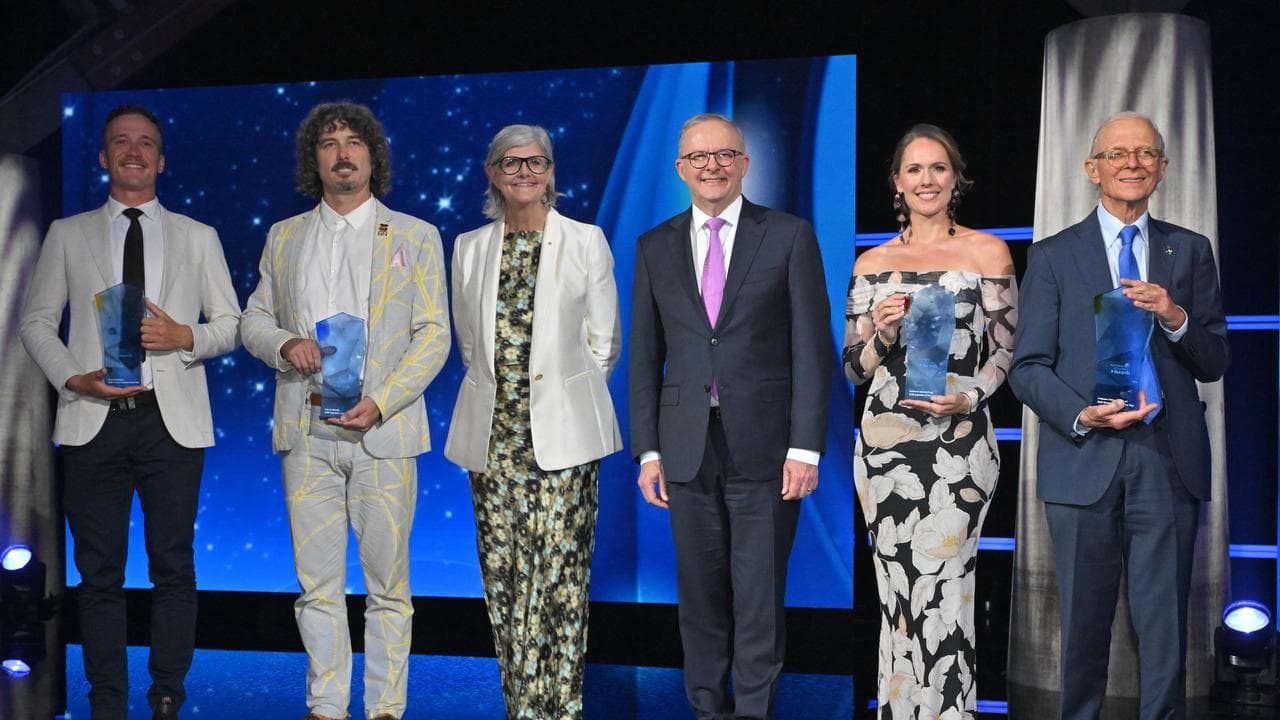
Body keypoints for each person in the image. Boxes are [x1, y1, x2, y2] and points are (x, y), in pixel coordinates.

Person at [20, 103, 241, 720]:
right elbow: (36, 322)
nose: (134, 152)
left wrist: (186, 337)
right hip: (94, 419)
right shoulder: (69, 233)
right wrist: (72, 377)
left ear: (162, 160)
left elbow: (232, 324)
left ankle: (167, 690)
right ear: (103, 157)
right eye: (121, 142)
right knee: (98, 574)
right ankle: (107, 700)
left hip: (172, 421)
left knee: (174, 565)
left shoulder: (199, 237)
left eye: (146, 143)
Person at [1009, 112, 1228, 719]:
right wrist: (1083, 415)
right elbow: (1027, 368)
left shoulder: (1189, 250)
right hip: (1084, 459)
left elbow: (1214, 360)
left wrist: (1174, 315)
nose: (1132, 163)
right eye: (1117, 154)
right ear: (1092, 169)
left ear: (1161, 168)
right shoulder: (1053, 256)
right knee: (1081, 623)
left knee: (1165, 627)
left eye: (1145, 153)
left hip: (1167, 460)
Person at [241, 101, 450, 720]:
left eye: (353, 140)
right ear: (315, 160)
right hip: (306, 430)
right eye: (328, 142)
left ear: (372, 155)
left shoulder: (414, 235)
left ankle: (386, 707)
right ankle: (325, 705)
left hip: (381, 431)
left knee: (389, 587)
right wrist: (284, 343)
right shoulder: (284, 236)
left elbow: (434, 334)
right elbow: (254, 318)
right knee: (317, 586)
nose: (342, 151)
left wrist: (382, 401)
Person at [628, 113, 831, 720]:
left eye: (724, 155)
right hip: (686, 446)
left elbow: (812, 349)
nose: (711, 166)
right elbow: (645, 357)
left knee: (759, 597)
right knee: (699, 598)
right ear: (680, 169)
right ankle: (705, 709)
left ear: (744, 163)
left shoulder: (789, 235)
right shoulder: (654, 245)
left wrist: (806, 448)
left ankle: (752, 712)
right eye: (699, 157)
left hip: (768, 449)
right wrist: (648, 451)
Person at [444, 124, 622, 719]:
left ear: (551, 171)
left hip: (566, 441)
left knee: (560, 586)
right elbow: (471, 346)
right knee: (506, 583)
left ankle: (561, 708)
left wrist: (564, 402)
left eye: (536, 162)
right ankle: (521, 706)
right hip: (494, 442)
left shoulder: (586, 240)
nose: (525, 172)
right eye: (510, 163)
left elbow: (604, 343)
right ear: (492, 173)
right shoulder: (469, 246)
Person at [843, 124, 1016, 718]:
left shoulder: (988, 252)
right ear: (897, 182)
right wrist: (883, 331)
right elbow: (852, 366)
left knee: (945, 589)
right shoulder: (873, 263)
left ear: (956, 178)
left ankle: (947, 711)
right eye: (914, 170)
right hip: (886, 448)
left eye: (938, 168)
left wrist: (970, 398)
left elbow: (1007, 351)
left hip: (960, 443)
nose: (926, 180)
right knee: (897, 595)